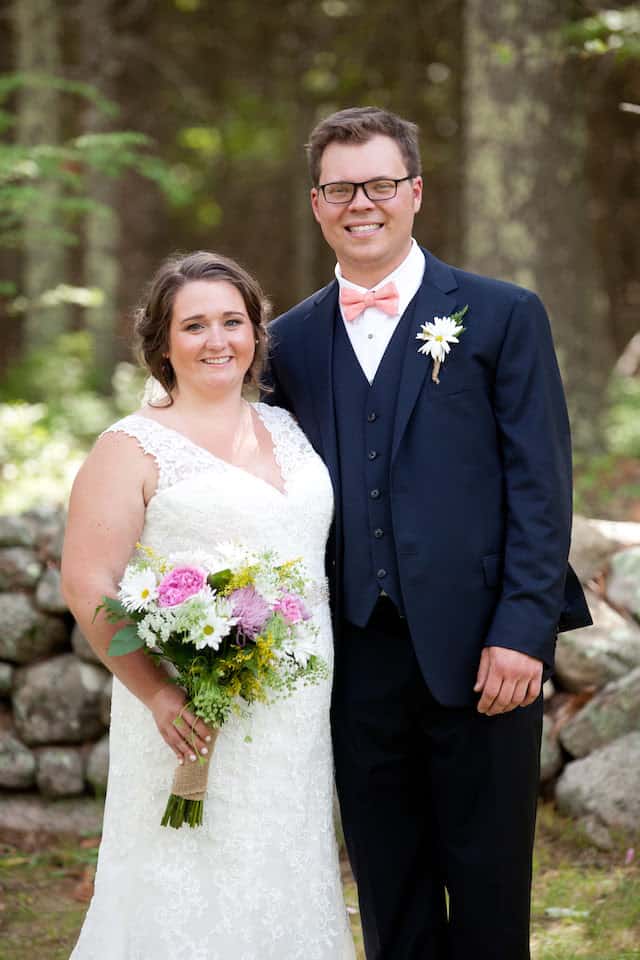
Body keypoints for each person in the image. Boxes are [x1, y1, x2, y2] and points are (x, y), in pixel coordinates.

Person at [265, 106, 592, 960]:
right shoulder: (287, 342)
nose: (359, 203)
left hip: (486, 655)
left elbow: (541, 486)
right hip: (353, 658)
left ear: (415, 191)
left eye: (379, 183)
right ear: (316, 203)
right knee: (389, 892)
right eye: (340, 187)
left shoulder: (502, 314)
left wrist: (523, 633)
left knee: (488, 897)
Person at [61, 251, 355, 960]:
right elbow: (87, 583)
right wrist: (159, 694)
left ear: (257, 332)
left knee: (283, 872)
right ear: (162, 343)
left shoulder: (286, 429)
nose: (217, 339)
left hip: (295, 715)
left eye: (233, 320)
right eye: (194, 325)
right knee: (184, 877)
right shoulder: (130, 447)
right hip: (188, 710)